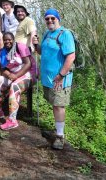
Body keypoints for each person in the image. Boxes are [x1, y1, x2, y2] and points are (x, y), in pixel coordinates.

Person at [33, 8, 75, 150]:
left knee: (58, 106)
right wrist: (35, 45)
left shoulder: (65, 34)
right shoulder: (47, 34)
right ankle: (57, 130)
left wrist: (61, 75)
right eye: (47, 19)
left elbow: (71, 56)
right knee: (54, 104)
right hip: (48, 78)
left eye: (52, 18)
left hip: (60, 79)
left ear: (58, 19)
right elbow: (41, 51)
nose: (50, 21)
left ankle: (60, 137)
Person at [0, 32, 33, 130]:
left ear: (13, 40)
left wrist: (16, 76)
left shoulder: (20, 47)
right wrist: (9, 75)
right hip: (12, 76)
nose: (7, 41)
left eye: (9, 39)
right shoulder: (2, 52)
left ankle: (12, 120)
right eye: (5, 40)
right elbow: (2, 69)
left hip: (27, 74)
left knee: (14, 87)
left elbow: (28, 64)